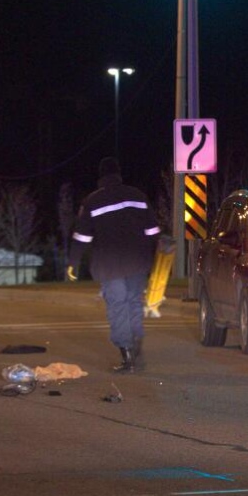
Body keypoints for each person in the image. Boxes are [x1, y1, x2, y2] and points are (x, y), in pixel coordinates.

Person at [67, 157, 160, 373]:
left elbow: (82, 237)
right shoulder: (137, 196)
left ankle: (127, 354)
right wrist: (153, 256)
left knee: (117, 305)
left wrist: (73, 263)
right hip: (137, 261)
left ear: (101, 176)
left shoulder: (92, 201)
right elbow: (153, 231)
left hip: (109, 265)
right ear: (119, 174)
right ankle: (136, 345)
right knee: (134, 302)